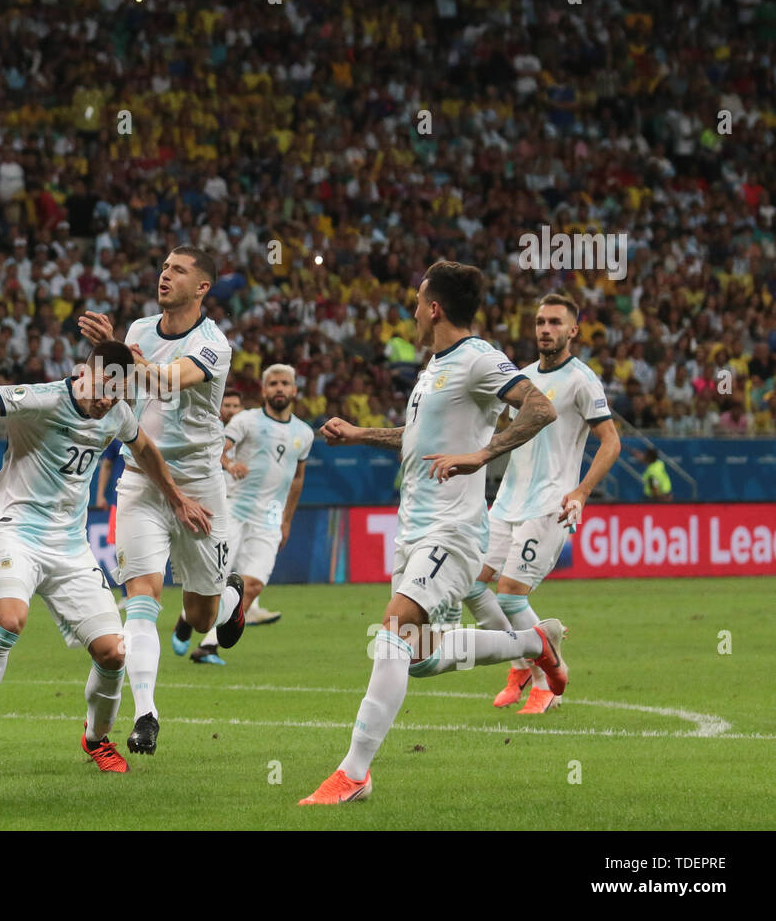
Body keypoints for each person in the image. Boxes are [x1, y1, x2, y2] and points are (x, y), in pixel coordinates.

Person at [0, 340, 212, 773]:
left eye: (118, 393)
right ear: (85, 373)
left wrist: (176, 499)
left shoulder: (116, 413)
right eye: (104, 389)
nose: (108, 401)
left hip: (71, 548)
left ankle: (95, 739)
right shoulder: (41, 399)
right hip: (17, 535)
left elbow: (144, 449)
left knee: (114, 653)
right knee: (10, 620)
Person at [300, 261, 567, 805]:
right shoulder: (435, 368)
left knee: (393, 628)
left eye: (419, 302)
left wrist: (482, 455)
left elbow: (542, 408)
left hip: (453, 530)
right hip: (415, 529)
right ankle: (532, 642)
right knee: (418, 656)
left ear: (435, 307)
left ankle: (354, 773)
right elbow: (417, 438)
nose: (414, 312)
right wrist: (359, 434)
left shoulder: (478, 357)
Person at [77, 245, 246, 756]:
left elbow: (169, 380)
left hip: (199, 486)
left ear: (202, 287)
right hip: (143, 478)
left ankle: (231, 599)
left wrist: (122, 353)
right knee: (141, 599)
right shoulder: (139, 330)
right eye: (164, 267)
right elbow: (122, 391)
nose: (165, 275)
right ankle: (145, 715)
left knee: (200, 616)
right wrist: (106, 370)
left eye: (179, 270)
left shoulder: (213, 344)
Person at [454, 293, 621, 714]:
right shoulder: (523, 379)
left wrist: (581, 492)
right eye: (541, 322)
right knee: (471, 586)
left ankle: (548, 683)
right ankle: (523, 664)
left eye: (555, 322)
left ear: (573, 330)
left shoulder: (582, 380)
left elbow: (611, 442)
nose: (546, 329)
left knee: (510, 596)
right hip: (506, 502)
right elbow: (507, 433)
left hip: (550, 503)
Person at [183, 364, 311, 664]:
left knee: (252, 584)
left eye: (285, 383)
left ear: (294, 390)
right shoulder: (246, 420)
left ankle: (209, 645)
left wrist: (286, 520)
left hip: (270, 518)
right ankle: (186, 618)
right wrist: (230, 465)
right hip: (234, 509)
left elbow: (297, 479)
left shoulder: (304, 433)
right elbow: (218, 451)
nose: (279, 388)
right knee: (216, 577)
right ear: (264, 390)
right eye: (273, 383)